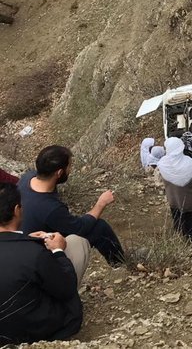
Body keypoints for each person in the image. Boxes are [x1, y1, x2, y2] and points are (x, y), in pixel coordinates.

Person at [0, 183, 87, 344]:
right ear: (17, 210)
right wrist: (58, 251)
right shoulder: (34, 253)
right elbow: (66, 289)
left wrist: (26, 238)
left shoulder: (30, 247)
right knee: (77, 242)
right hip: (37, 332)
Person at [20, 146, 125, 266]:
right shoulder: (50, 208)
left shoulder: (27, 178)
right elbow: (80, 227)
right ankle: (119, 263)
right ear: (59, 173)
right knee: (99, 227)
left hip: (24, 242)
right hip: (39, 255)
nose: (70, 169)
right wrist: (101, 203)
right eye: (69, 166)